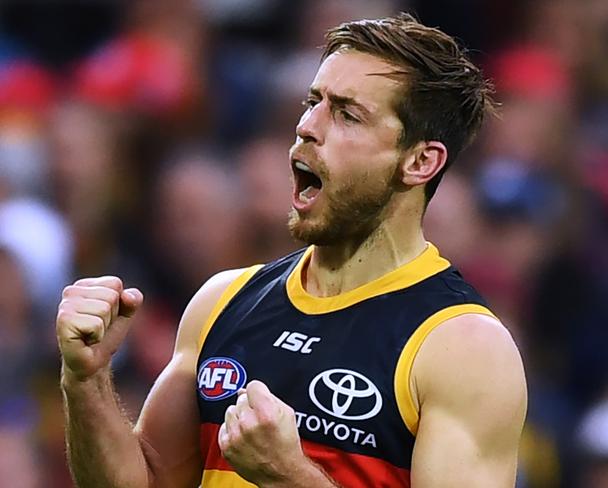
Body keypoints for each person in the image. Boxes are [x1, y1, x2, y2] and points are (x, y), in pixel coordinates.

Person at [56, 14, 527, 488]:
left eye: (346, 114)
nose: (306, 127)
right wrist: (87, 380)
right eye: (312, 102)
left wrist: (291, 476)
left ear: (420, 161)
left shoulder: (462, 347)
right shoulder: (221, 302)